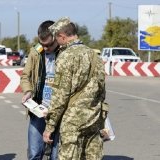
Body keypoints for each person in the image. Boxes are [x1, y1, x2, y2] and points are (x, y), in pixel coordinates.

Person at [43, 17, 106, 160]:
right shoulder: (93, 55)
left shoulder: (65, 57)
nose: (56, 42)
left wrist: (49, 127)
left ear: (62, 36)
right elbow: (102, 89)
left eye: (56, 38)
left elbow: (60, 96)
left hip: (73, 121)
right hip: (93, 118)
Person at [20, 20, 60, 160]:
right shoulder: (36, 52)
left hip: (59, 112)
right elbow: (25, 76)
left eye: (49, 45)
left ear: (57, 37)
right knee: (34, 153)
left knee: (57, 156)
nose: (45, 48)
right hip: (38, 109)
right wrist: (28, 91)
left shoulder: (67, 54)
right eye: (42, 44)